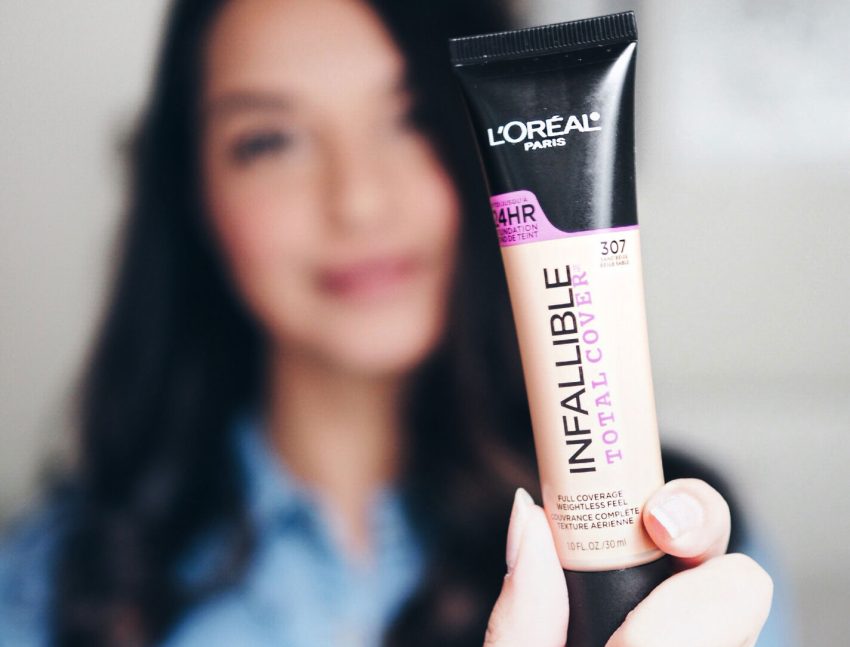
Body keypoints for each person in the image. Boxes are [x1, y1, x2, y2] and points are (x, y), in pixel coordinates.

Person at [0, 0, 783, 645]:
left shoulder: (680, 566)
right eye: (271, 140)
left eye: (411, 119)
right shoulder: (51, 584)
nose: (359, 201)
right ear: (191, 191)